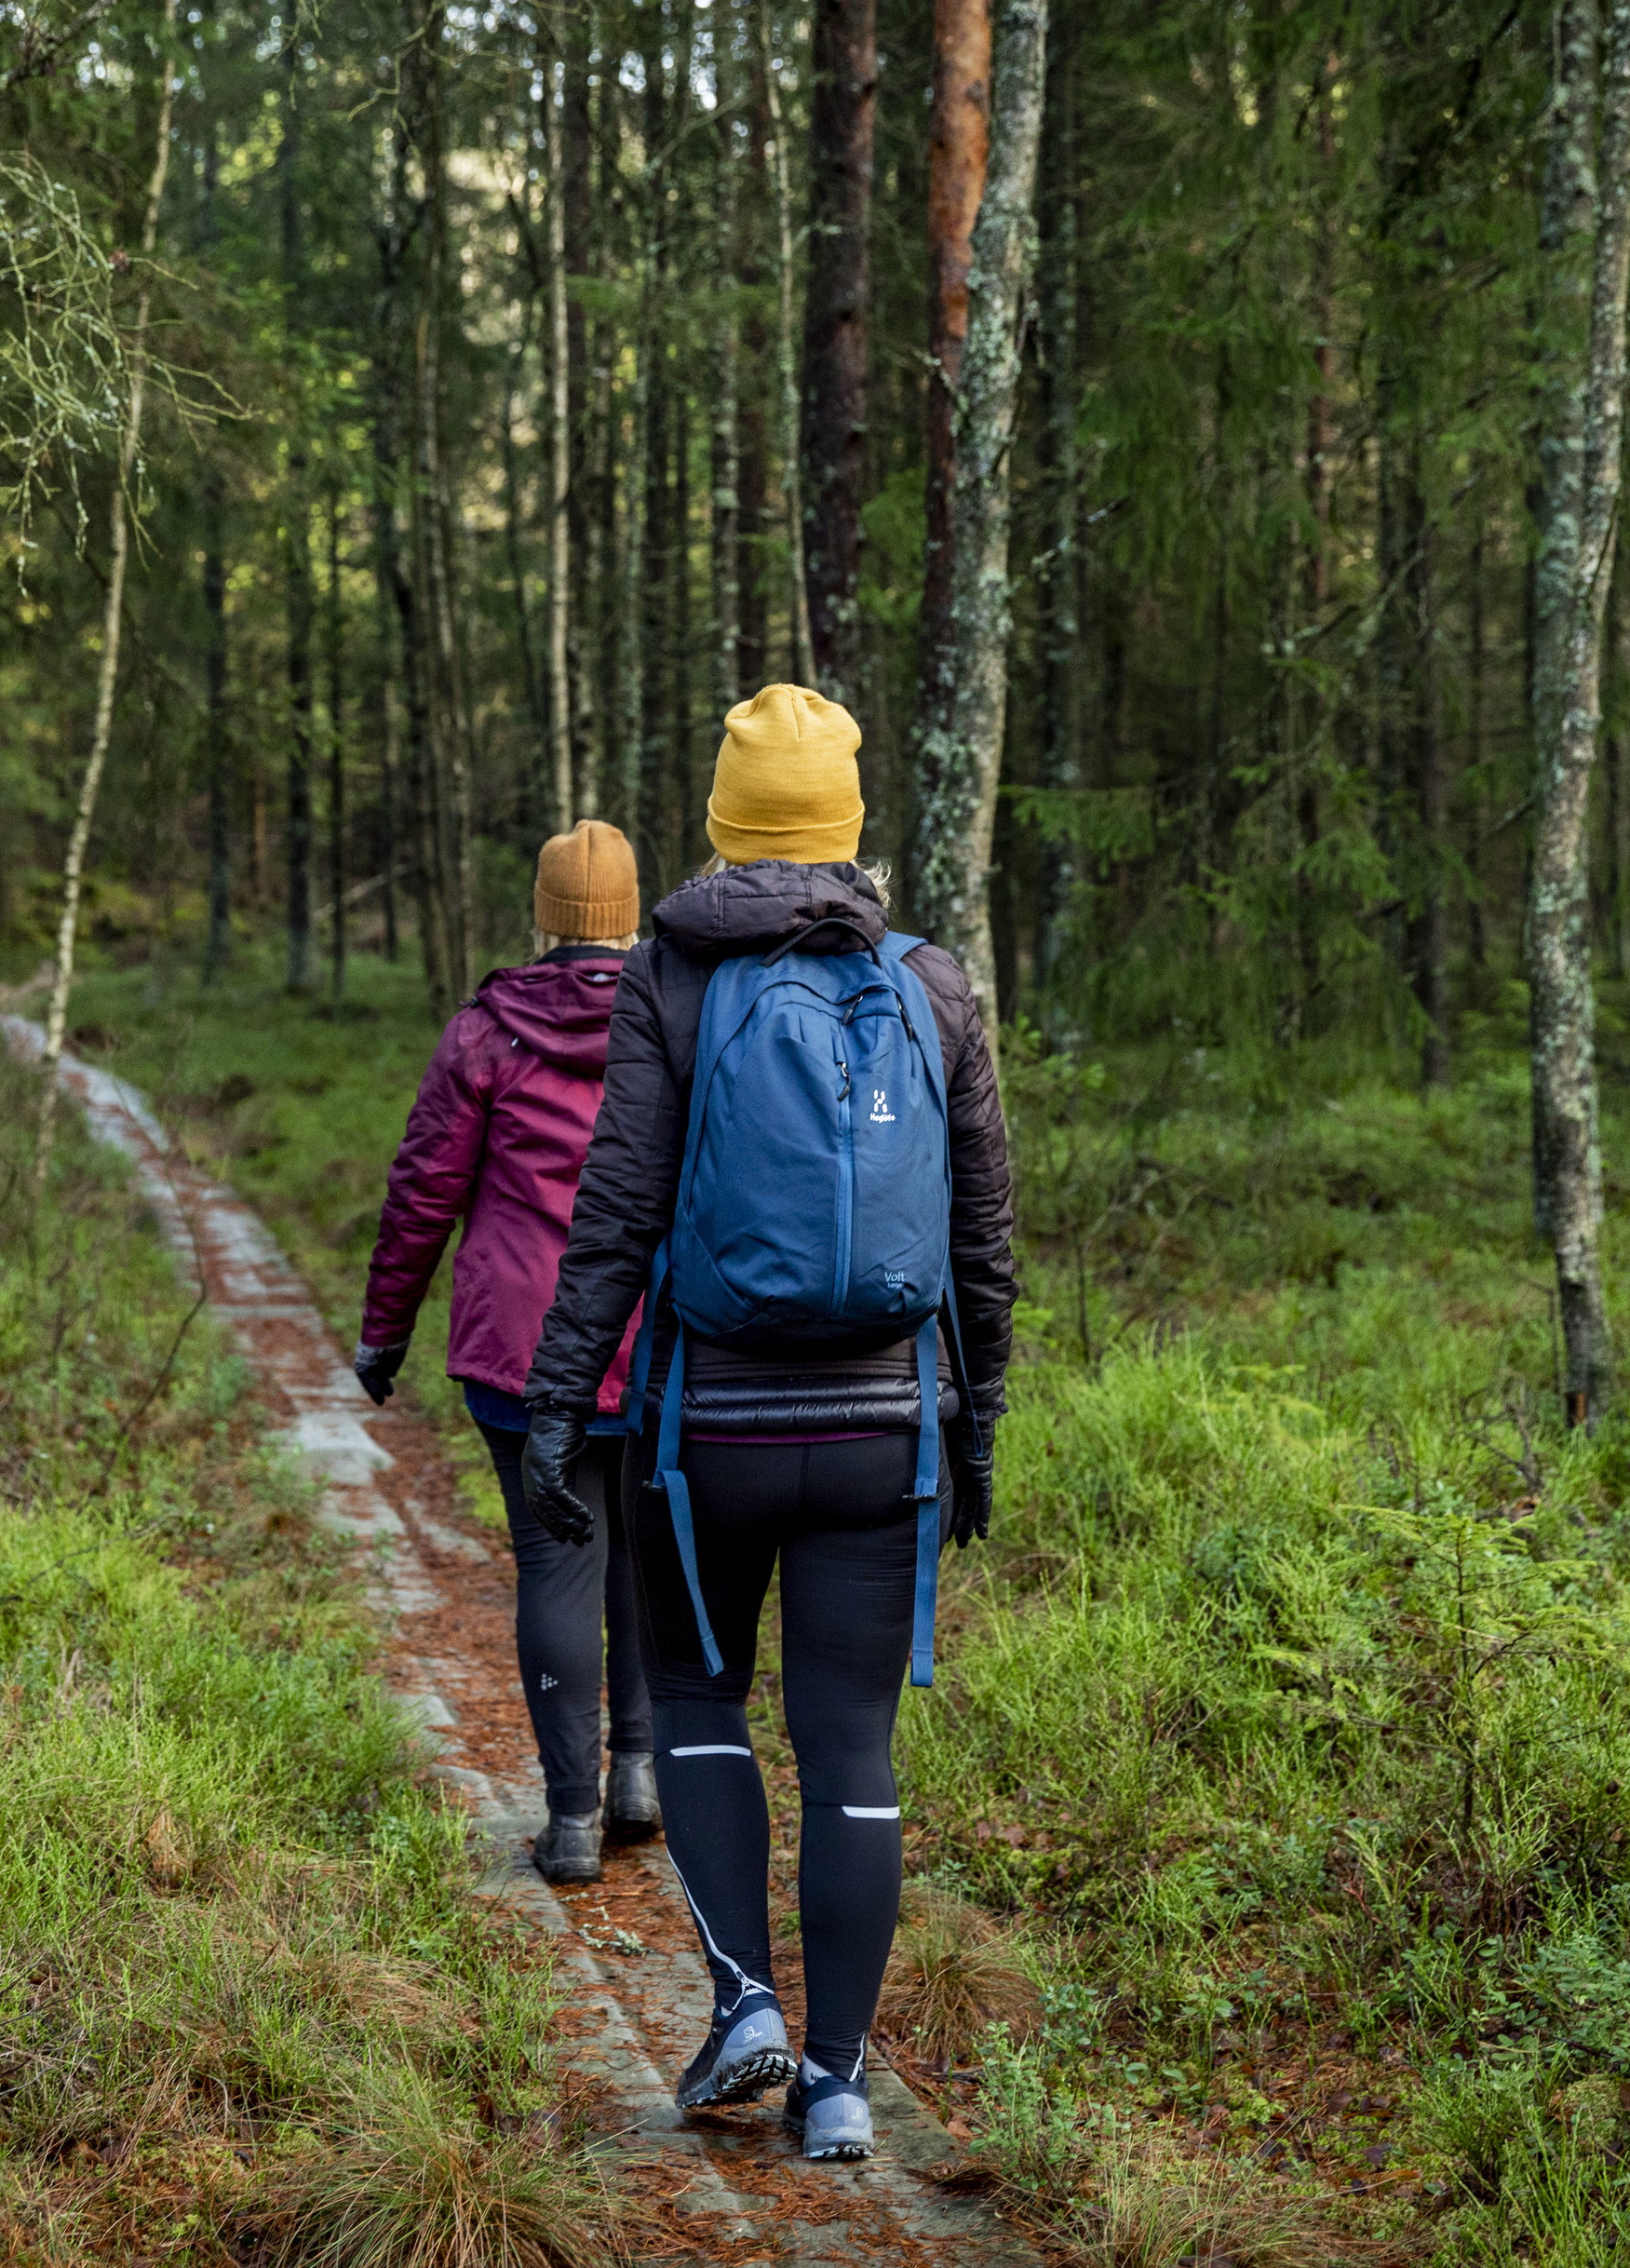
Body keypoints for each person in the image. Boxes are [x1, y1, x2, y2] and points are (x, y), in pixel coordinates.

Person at [517, 685, 1017, 2165]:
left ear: (728, 821)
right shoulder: (934, 984)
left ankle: (744, 2002)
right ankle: (842, 2081)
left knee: (699, 1702)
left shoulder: (671, 975)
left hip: (705, 1437)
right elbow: (986, 1237)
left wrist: (559, 1408)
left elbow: (612, 1215)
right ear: (850, 821)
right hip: (886, 1431)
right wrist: (976, 1421)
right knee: (852, 1746)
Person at [355, 821, 654, 1886]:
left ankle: (571, 1822)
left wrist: (384, 1327)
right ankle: (637, 1774)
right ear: (630, 914)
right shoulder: (684, 1021)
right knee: (642, 1554)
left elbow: (424, 1187)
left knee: (556, 1560)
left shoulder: (486, 1032)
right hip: (655, 1339)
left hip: (523, 1352)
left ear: (546, 916)